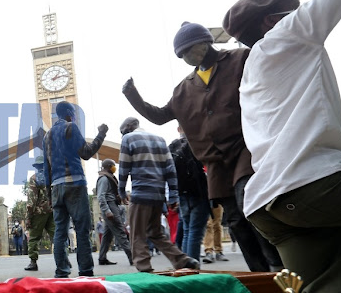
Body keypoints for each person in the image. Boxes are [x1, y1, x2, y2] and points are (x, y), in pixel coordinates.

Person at [222, 0, 341, 293]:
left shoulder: (252, 68)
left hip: (271, 204)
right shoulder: (289, 34)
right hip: (314, 185)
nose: (302, 13)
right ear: (271, 20)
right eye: (294, 9)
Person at [121, 22, 282, 273]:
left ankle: (277, 265)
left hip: (245, 148)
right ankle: (259, 273)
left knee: (249, 203)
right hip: (215, 161)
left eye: (189, 50)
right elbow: (161, 115)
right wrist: (133, 96)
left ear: (204, 43)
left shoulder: (239, 59)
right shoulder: (184, 88)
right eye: (181, 54)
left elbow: (271, 85)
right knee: (236, 220)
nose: (186, 57)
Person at [117, 117, 199, 273]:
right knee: (155, 233)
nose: (122, 136)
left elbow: (123, 167)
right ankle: (183, 260)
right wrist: (173, 195)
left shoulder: (128, 139)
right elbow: (170, 169)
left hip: (141, 194)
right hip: (158, 195)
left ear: (128, 127)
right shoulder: (160, 140)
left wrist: (121, 191)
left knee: (137, 233)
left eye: (122, 132)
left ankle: (144, 268)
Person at [43, 101, 107, 278]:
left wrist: (49, 195)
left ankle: (62, 271)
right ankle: (85, 270)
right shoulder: (71, 127)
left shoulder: (46, 135)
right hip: (75, 184)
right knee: (81, 228)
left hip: (56, 187)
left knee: (60, 231)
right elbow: (86, 153)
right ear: (69, 113)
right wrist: (101, 134)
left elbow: (46, 169)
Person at [169, 127, 209, 261]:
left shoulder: (174, 145)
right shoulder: (197, 143)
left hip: (182, 193)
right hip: (198, 192)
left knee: (187, 231)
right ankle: (192, 268)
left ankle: (186, 266)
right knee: (195, 232)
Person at [96, 159, 132, 265]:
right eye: (112, 166)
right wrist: (107, 211)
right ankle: (133, 257)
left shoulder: (108, 177)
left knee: (107, 235)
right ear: (108, 166)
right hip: (110, 207)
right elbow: (101, 196)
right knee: (120, 232)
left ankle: (102, 258)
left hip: (112, 205)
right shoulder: (104, 178)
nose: (114, 167)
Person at [24, 156, 55, 271]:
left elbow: (31, 200)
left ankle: (33, 262)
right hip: (52, 210)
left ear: (36, 167)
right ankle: (63, 260)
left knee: (34, 238)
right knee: (56, 236)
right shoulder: (52, 177)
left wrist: (28, 216)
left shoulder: (34, 178)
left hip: (38, 213)